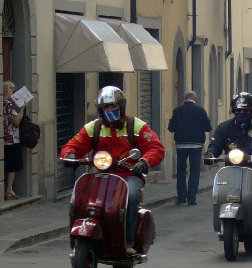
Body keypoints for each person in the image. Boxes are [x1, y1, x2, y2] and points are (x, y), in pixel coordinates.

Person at [60, 86, 165, 255]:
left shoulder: (136, 126)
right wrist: (70, 154)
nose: (110, 110)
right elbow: (73, 144)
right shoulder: (93, 128)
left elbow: (156, 148)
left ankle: (128, 240)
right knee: (81, 199)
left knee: (130, 197)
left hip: (129, 175)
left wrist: (144, 162)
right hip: (100, 175)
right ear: (101, 110)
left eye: (114, 107)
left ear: (121, 107)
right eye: (106, 108)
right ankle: (80, 237)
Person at [203, 92, 252, 216]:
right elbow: (215, 145)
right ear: (233, 111)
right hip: (231, 167)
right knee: (218, 186)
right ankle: (219, 213)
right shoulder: (224, 127)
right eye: (238, 111)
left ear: (251, 111)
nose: (242, 114)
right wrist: (210, 154)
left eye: (245, 111)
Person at [168, 91, 212, 205]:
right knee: (195, 171)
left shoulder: (177, 111)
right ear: (195, 99)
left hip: (181, 144)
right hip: (196, 145)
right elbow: (208, 127)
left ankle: (181, 197)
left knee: (181, 171)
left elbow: (171, 128)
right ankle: (192, 198)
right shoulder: (200, 110)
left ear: (185, 98)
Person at [3, 80, 27, 200]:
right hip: (11, 139)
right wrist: (22, 109)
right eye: (11, 88)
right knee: (12, 166)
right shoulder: (8, 104)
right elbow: (16, 121)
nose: (14, 90)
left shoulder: (3, 103)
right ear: (6, 90)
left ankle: (9, 190)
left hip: (6, 138)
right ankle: (9, 190)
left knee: (10, 165)